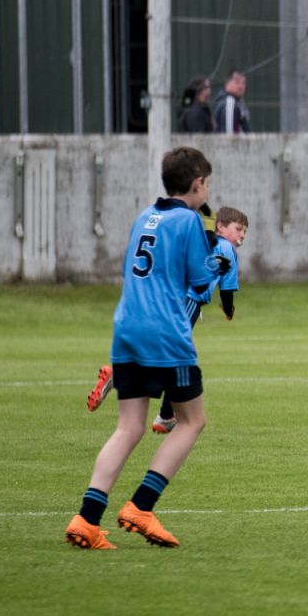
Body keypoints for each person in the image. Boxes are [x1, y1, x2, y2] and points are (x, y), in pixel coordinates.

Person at [64, 147, 230, 550]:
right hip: (165, 332)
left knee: (129, 426)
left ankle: (86, 520)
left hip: (127, 327)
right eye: (207, 182)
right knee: (192, 421)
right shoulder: (189, 220)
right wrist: (221, 258)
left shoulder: (145, 216)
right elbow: (197, 277)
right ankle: (141, 506)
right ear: (197, 184)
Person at [86, 207, 248, 436]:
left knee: (165, 354)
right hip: (189, 303)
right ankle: (165, 414)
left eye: (244, 232)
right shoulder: (227, 250)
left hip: (167, 299)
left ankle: (153, 404)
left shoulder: (198, 242)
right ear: (220, 227)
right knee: (179, 358)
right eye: (238, 229)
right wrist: (228, 310)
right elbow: (227, 289)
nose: (241, 236)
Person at [212, 69, 250, 134]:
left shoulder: (238, 102)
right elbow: (228, 137)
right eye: (237, 82)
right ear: (227, 83)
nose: (241, 86)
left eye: (243, 83)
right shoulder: (230, 102)